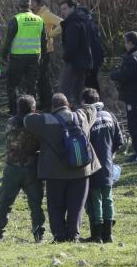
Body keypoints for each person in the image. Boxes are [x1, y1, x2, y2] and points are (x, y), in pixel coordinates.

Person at [24, 93, 101, 243]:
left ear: (53, 107)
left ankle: (59, 236)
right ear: (68, 105)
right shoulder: (81, 117)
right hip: (81, 171)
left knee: (55, 206)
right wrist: (79, 107)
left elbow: (27, 120)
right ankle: (74, 236)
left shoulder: (45, 120)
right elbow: (91, 108)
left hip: (55, 173)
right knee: (76, 207)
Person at [0, 95, 45, 243]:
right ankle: (38, 234)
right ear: (33, 109)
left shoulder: (10, 122)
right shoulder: (36, 123)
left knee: (5, 203)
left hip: (11, 168)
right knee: (35, 204)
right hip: (31, 168)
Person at [81, 88, 123, 243]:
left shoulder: (86, 118)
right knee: (108, 198)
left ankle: (97, 235)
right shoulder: (109, 115)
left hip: (92, 166)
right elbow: (119, 141)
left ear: (84, 102)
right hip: (107, 165)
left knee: (95, 200)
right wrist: (109, 157)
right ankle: (109, 235)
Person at [110, 31, 137, 163]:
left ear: (131, 43)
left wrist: (113, 75)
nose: (125, 45)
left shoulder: (133, 57)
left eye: (126, 42)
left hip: (133, 96)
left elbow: (125, 76)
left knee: (135, 124)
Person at [1, 0, 47, 115]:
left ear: (19, 5)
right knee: (31, 85)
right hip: (34, 57)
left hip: (18, 57)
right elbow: (44, 40)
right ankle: (32, 111)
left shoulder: (16, 19)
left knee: (12, 85)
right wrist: (44, 57)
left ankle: (13, 111)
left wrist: (3, 55)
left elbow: (8, 40)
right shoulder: (39, 19)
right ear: (30, 5)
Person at [29, 0, 63, 111]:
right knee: (40, 78)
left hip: (46, 50)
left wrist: (50, 35)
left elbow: (62, 23)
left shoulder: (46, 14)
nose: (30, 4)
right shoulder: (33, 15)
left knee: (44, 78)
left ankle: (48, 103)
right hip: (36, 50)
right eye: (29, 2)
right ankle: (44, 102)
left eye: (32, 1)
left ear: (38, 2)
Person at [58, 0, 93, 107]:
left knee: (64, 92)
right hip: (84, 61)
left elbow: (72, 45)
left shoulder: (72, 23)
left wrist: (66, 57)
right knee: (78, 91)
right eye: (61, 10)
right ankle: (81, 114)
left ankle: (61, 116)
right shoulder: (84, 20)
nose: (62, 12)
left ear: (73, 8)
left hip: (73, 61)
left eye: (65, 8)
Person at [80, 7, 105, 91]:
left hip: (91, 60)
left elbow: (88, 45)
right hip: (96, 59)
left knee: (90, 84)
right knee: (93, 82)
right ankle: (96, 100)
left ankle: (92, 101)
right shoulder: (92, 24)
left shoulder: (85, 26)